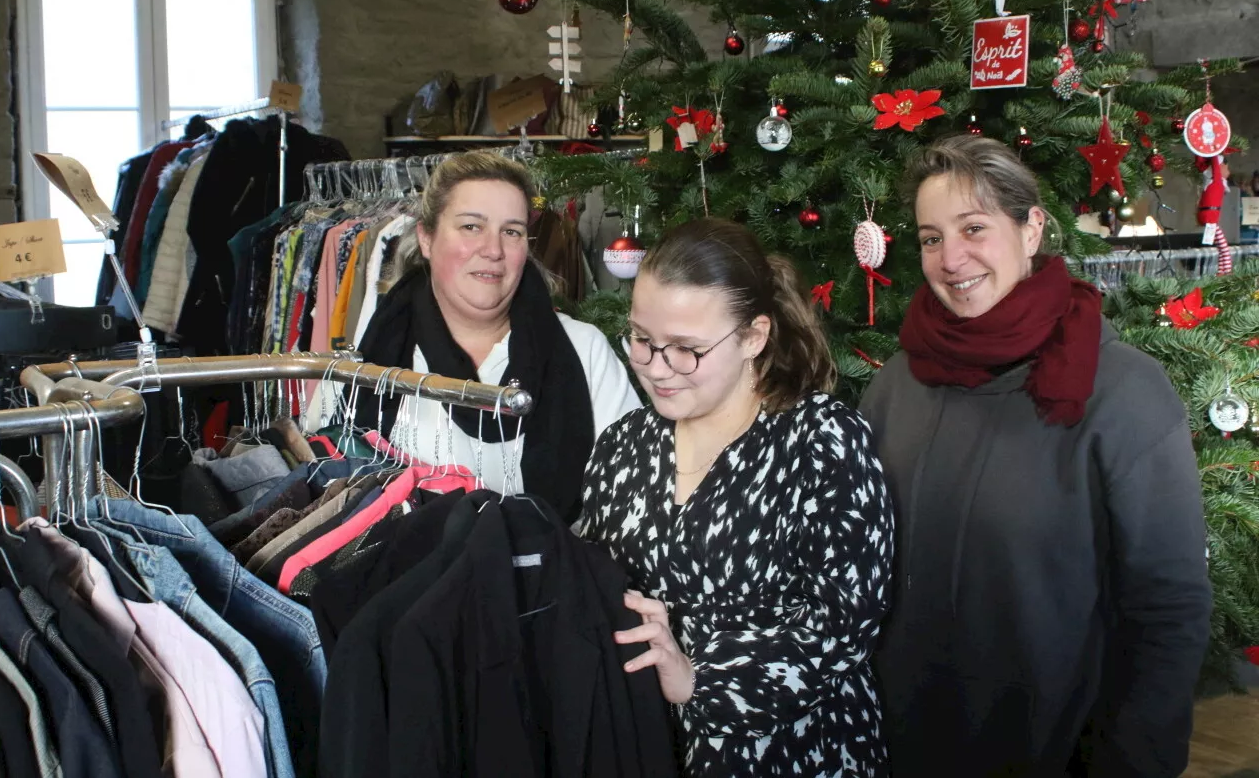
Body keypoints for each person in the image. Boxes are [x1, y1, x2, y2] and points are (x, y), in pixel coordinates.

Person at [859, 134, 1212, 777]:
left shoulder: (1123, 391)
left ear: (1031, 230)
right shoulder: (895, 385)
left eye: (974, 228)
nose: (951, 258)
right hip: (901, 745)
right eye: (931, 237)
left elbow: (1167, 607)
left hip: (1058, 751)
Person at [579, 218, 894, 776]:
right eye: (642, 340)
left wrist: (701, 678)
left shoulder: (821, 441)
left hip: (795, 751)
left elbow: (843, 624)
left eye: (686, 349)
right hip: (650, 743)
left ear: (753, 336)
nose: (657, 368)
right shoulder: (623, 446)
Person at [355, 151, 640, 523]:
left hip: (554, 575)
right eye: (471, 226)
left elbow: (632, 495)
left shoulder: (583, 349)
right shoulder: (374, 351)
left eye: (511, 231)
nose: (493, 250)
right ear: (426, 238)